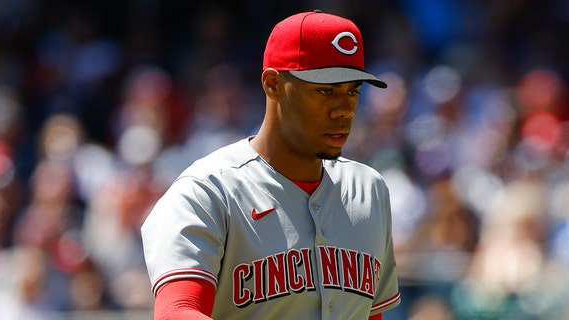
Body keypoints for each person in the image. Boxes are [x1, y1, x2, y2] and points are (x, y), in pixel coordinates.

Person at [141, 10, 401, 319]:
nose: (343, 109)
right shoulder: (207, 191)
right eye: (325, 90)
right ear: (272, 84)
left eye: (353, 91)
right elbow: (177, 311)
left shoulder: (369, 189)